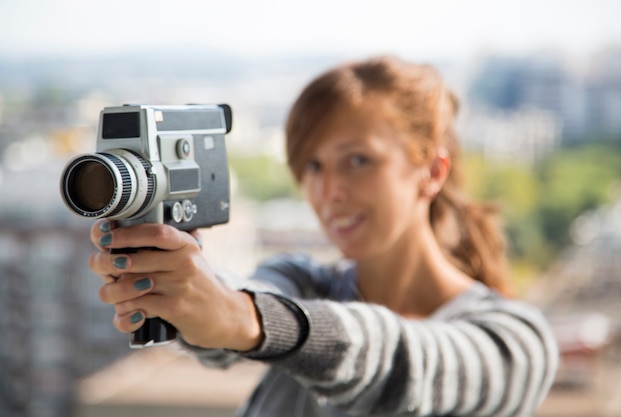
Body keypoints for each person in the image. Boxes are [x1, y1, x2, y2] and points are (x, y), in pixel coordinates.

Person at [88, 55, 559, 416]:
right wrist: (187, 293)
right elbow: (242, 311)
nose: (329, 191)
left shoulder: (516, 341)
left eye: (358, 160)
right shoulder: (299, 281)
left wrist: (247, 320)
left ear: (431, 171)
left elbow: (402, 361)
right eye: (312, 166)